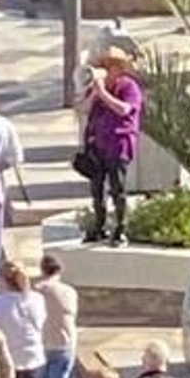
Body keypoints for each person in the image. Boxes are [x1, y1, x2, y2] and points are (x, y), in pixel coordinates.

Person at [79, 60, 143, 246]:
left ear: (118, 69)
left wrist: (104, 94)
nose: (105, 71)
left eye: (109, 67)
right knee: (97, 189)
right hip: (97, 145)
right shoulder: (96, 89)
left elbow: (124, 109)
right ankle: (99, 225)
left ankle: (121, 228)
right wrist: (93, 95)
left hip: (118, 144)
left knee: (117, 188)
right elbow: (82, 109)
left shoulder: (129, 87)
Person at [35, 253, 79, 378]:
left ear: (42, 269)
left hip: (42, 344)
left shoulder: (37, 291)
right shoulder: (69, 291)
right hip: (65, 343)